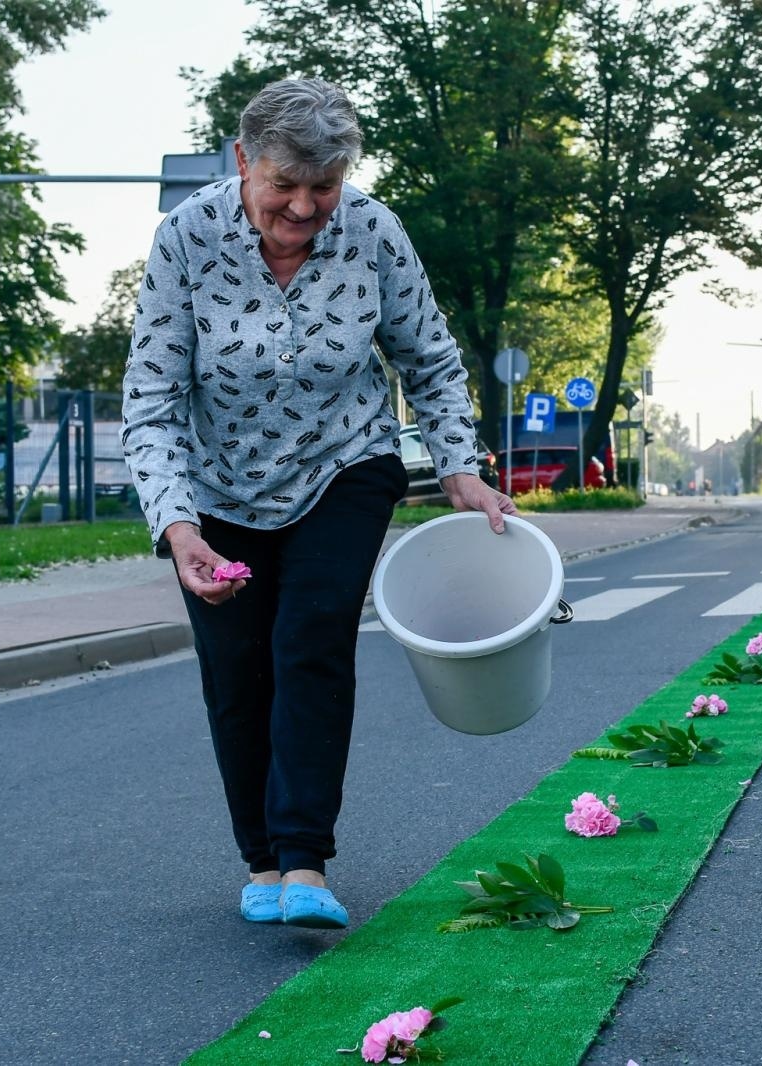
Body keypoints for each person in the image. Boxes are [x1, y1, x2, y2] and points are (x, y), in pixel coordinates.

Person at [121, 78, 516, 930]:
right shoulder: (185, 239)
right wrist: (178, 527)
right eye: (283, 185)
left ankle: (304, 861)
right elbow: (151, 400)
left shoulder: (373, 232)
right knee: (237, 670)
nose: (304, 206)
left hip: (346, 463)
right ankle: (260, 863)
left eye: (323, 186)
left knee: (310, 639)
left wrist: (459, 467)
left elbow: (433, 362)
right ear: (242, 163)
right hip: (219, 487)